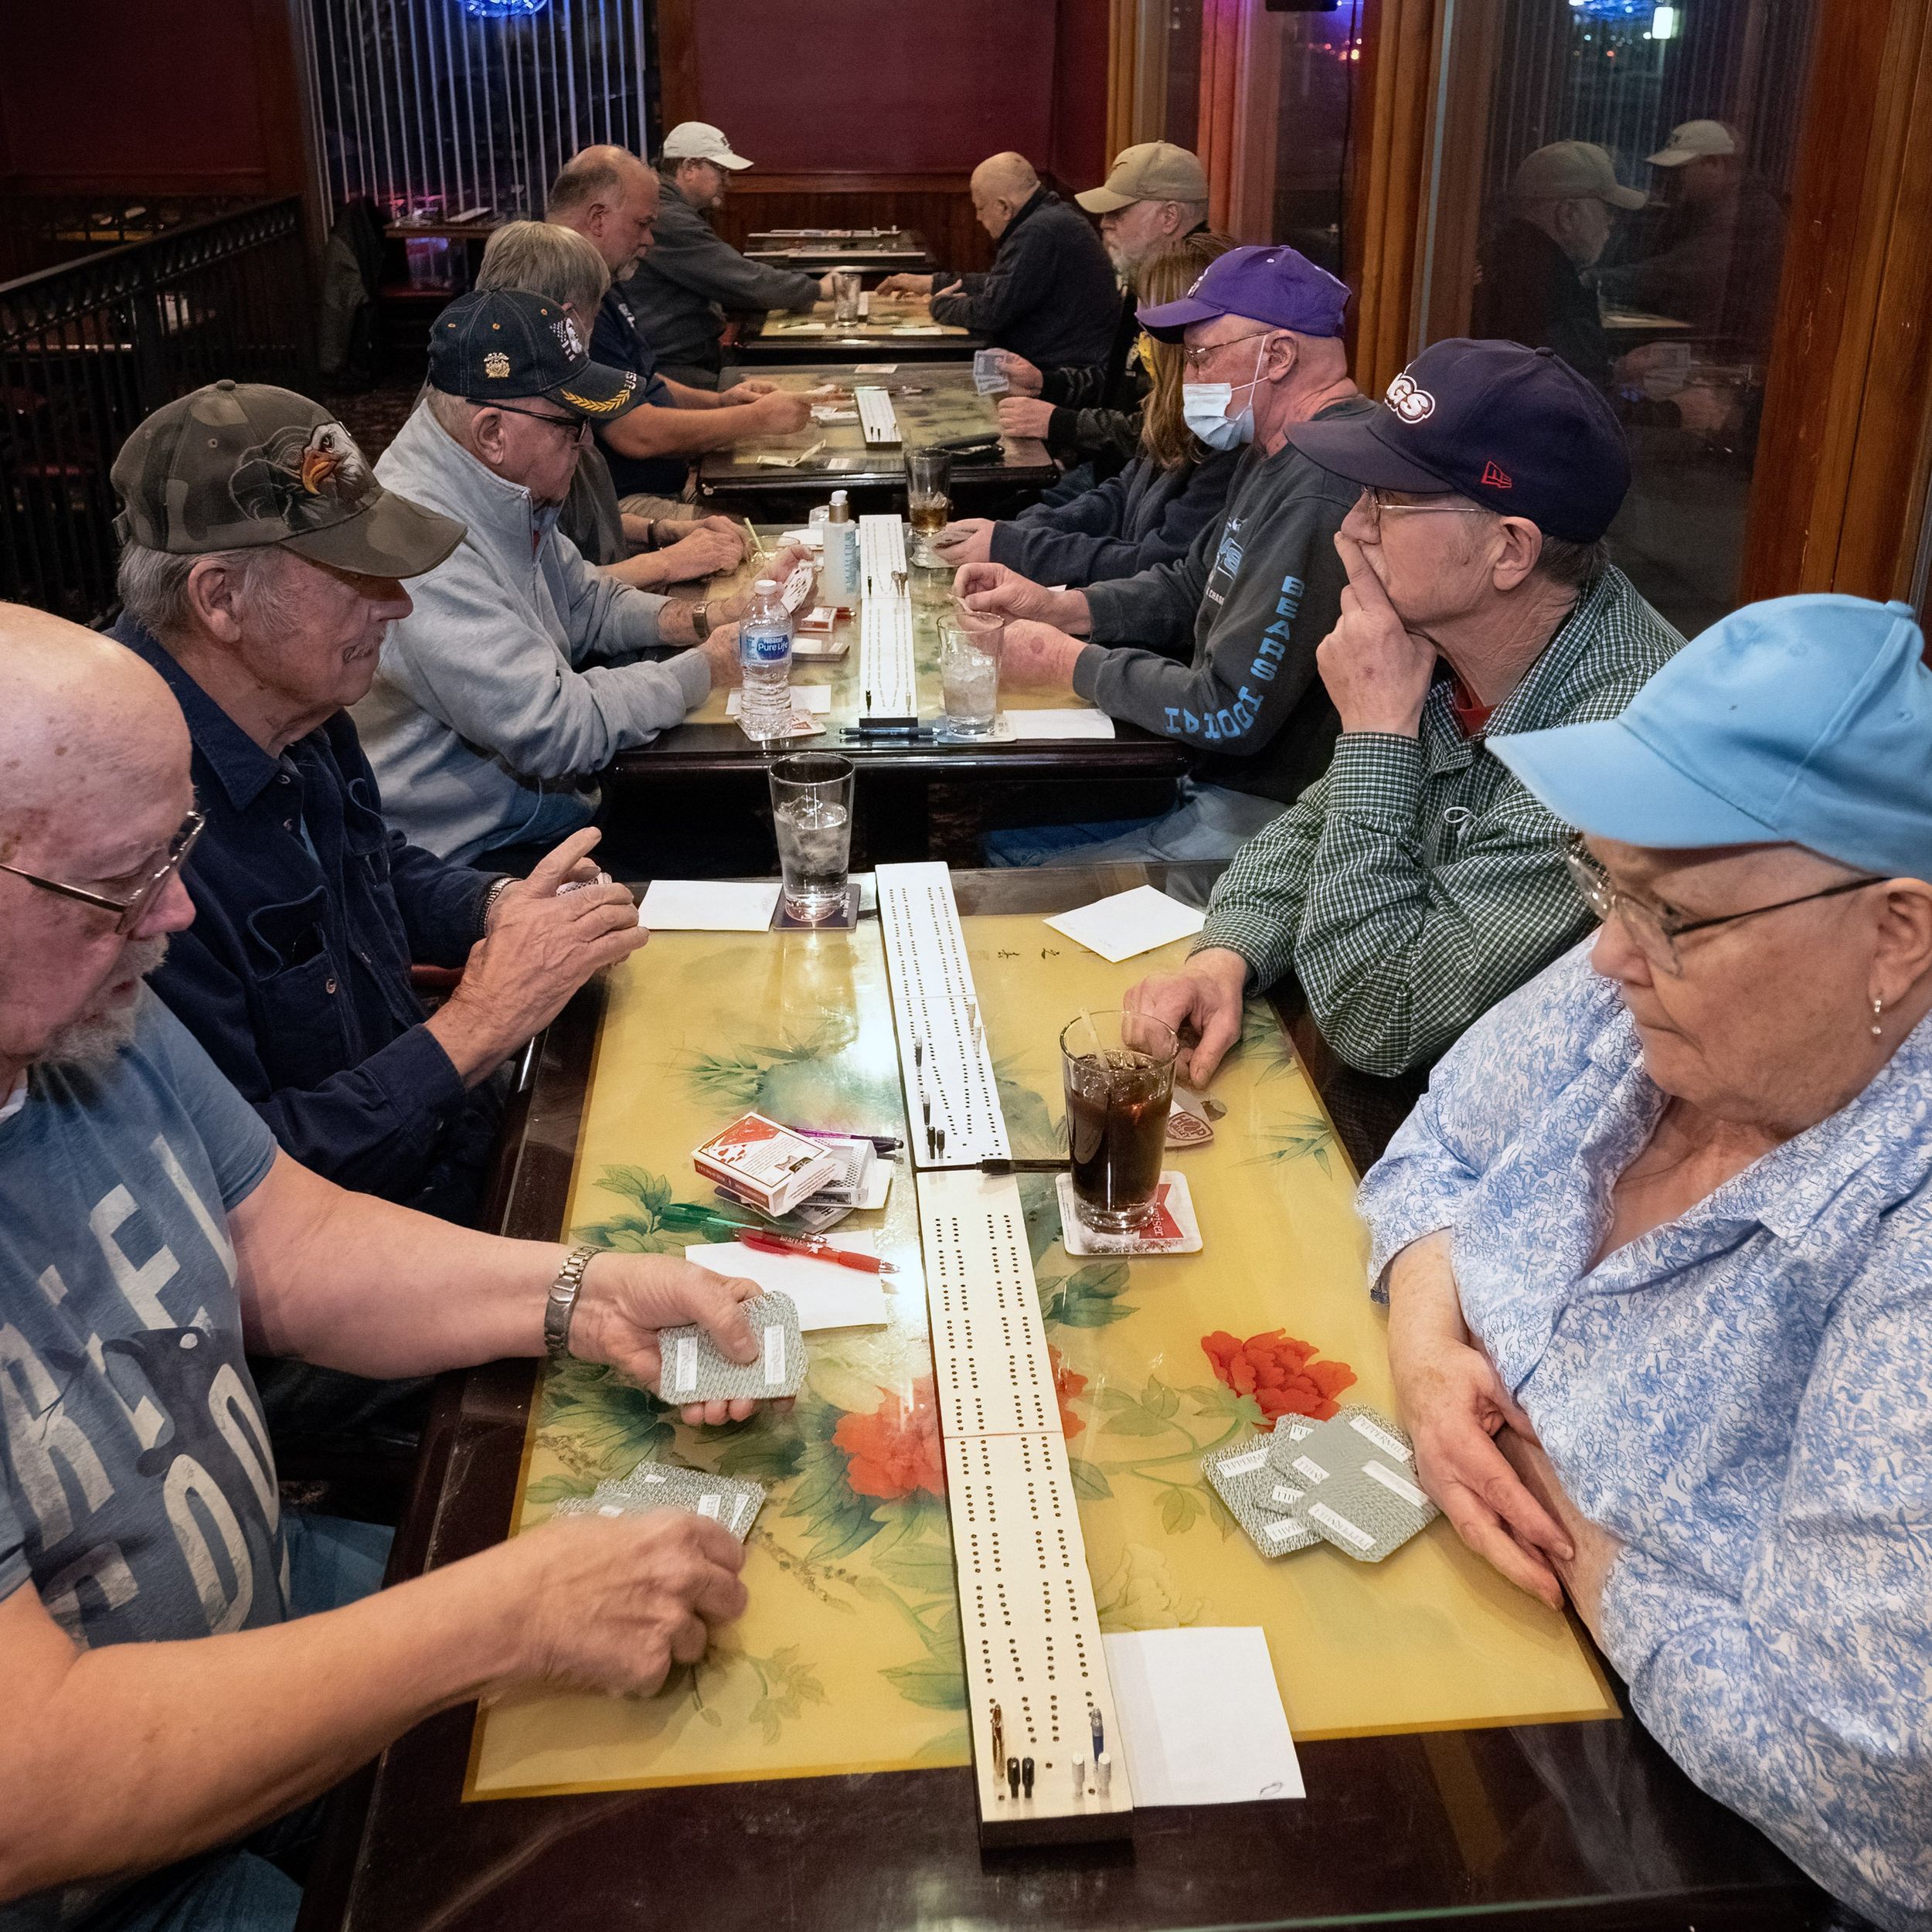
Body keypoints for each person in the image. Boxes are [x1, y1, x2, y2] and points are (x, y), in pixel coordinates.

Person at [0, 605, 777, 1932]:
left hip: (268, 1609)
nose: (176, 915)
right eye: (127, 878)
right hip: (109, 1874)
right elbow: (37, 1789)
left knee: (734, 1731)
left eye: (179, 851)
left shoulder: (87, 1019)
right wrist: (507, 1614)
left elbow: (290, 1246)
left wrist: (580, 1292)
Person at [1355, 593, 1932, 1932]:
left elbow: (1878, 1795)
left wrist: (1559, 1510)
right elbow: (1437, 1143)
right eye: (1603, 883)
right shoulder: (1656, 993)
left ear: (1896, 933)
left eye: (1671, 914)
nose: (1609, 953)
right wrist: (1432, 1354)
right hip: (1452, 1683)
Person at [105, 379, 647, 1230]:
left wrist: (499, 904)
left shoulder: (290, 695)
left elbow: (373, 865)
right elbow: (243, 1189)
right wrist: (478, 1024)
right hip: (346, 1262)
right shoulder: (120, 837)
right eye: (355, 574)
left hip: (440, 1142)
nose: (396, 603)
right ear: (219, 600)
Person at [1125, 338, 1682, 1080]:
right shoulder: (1468, 636)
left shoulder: (1616, 752)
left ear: (1510, 551)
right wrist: (1228, 954)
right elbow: (1317, 827)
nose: (1352, 527)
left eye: (1387, 499)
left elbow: (1382, 1017)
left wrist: (1377, 734)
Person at [956, 244, 1369, 865]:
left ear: (1279, 356)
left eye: (1201, 358)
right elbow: (1189, 583)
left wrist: (1065, 662)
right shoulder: (1274, 451)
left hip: (1274, 814)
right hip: (1214, 770)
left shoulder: (1320, 485)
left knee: (1010, 851)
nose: (1188, 380)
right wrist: (1055, 608)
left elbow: (1229, 712)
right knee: (1006, 813)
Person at [351, 287, 750, 866]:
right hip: (471, 859)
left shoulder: (493, 483)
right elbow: (554, 728)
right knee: (736, 857)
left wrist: (705, 618)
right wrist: (707, 667)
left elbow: (584, 603)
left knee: (735, 822)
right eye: (571, 424)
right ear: (492, 433)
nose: (587, 441)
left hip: (545, 809)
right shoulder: (422, 541)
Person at [930, 231, 1239, 587]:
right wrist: (1013, 533)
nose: (1142, 342)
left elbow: (1154, 566)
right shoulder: (1170, 408)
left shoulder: (1223, 434)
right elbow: (1119, 496)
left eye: (1150, 329)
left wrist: (1014, 545)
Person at [474, 219, 749, 588]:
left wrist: (662, 532)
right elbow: (547, 595)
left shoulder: (518, 375)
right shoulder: (505, 412)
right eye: (596, 309)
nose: (585, 439)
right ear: (567, 318)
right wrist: (667, 563)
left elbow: (576, 529)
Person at [543, 145, 811, 521]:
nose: (650, 239)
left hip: (661, 484)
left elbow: (641, 381)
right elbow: (636, 433)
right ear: (599, 219)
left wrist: (720, 403)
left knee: (791, 507)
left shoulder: (600, 275)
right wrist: (756, 420)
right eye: (642, 224)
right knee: (770, 528)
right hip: (613, 509)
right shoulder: (564, 294)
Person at [991, 141, 1212, 481]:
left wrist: (1060, 423)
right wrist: (1045, 383)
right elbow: (1120, 383)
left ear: (1169, 217)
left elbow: (1175, 431)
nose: (1104, 224)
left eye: (1118, 212)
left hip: (1143, 491)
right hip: (1114, 478)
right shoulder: (1146, 276)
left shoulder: (1200, 297)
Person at [622, 121, 828, 388]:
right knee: (792, 389)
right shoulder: (669, 218)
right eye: (721, 170)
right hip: (668, 367)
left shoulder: (669, 209)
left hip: (687, 355)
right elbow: (747, 283)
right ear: (689, 168)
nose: (727, 181)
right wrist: (819, 288)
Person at [876, 152, 1118, 375]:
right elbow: (1004, 283)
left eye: (980, 208)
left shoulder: (1038, 231)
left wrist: (940, 305)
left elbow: (992, 312)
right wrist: (933, 283)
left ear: (1003, 207)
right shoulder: (1052, 215)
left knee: (931, 377)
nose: (979, 218)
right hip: (1055, 361)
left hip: (1057, 374)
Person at [1592, 119, 1787, 349]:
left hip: (1729, 346)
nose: (1669, 181)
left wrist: (1597, 280)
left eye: (1679, 171)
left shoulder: (1754, 213)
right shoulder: (1698, 208)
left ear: (1715, 164)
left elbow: (1681, 271)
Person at [1472, 142, 1645, 386]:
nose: (1612, 222)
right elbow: (1579, 406)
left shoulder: (1498, 257)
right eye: (1607, 209)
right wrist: (1675, 411)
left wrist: (1618, 372)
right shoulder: (1556, 292)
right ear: (1568, 214)